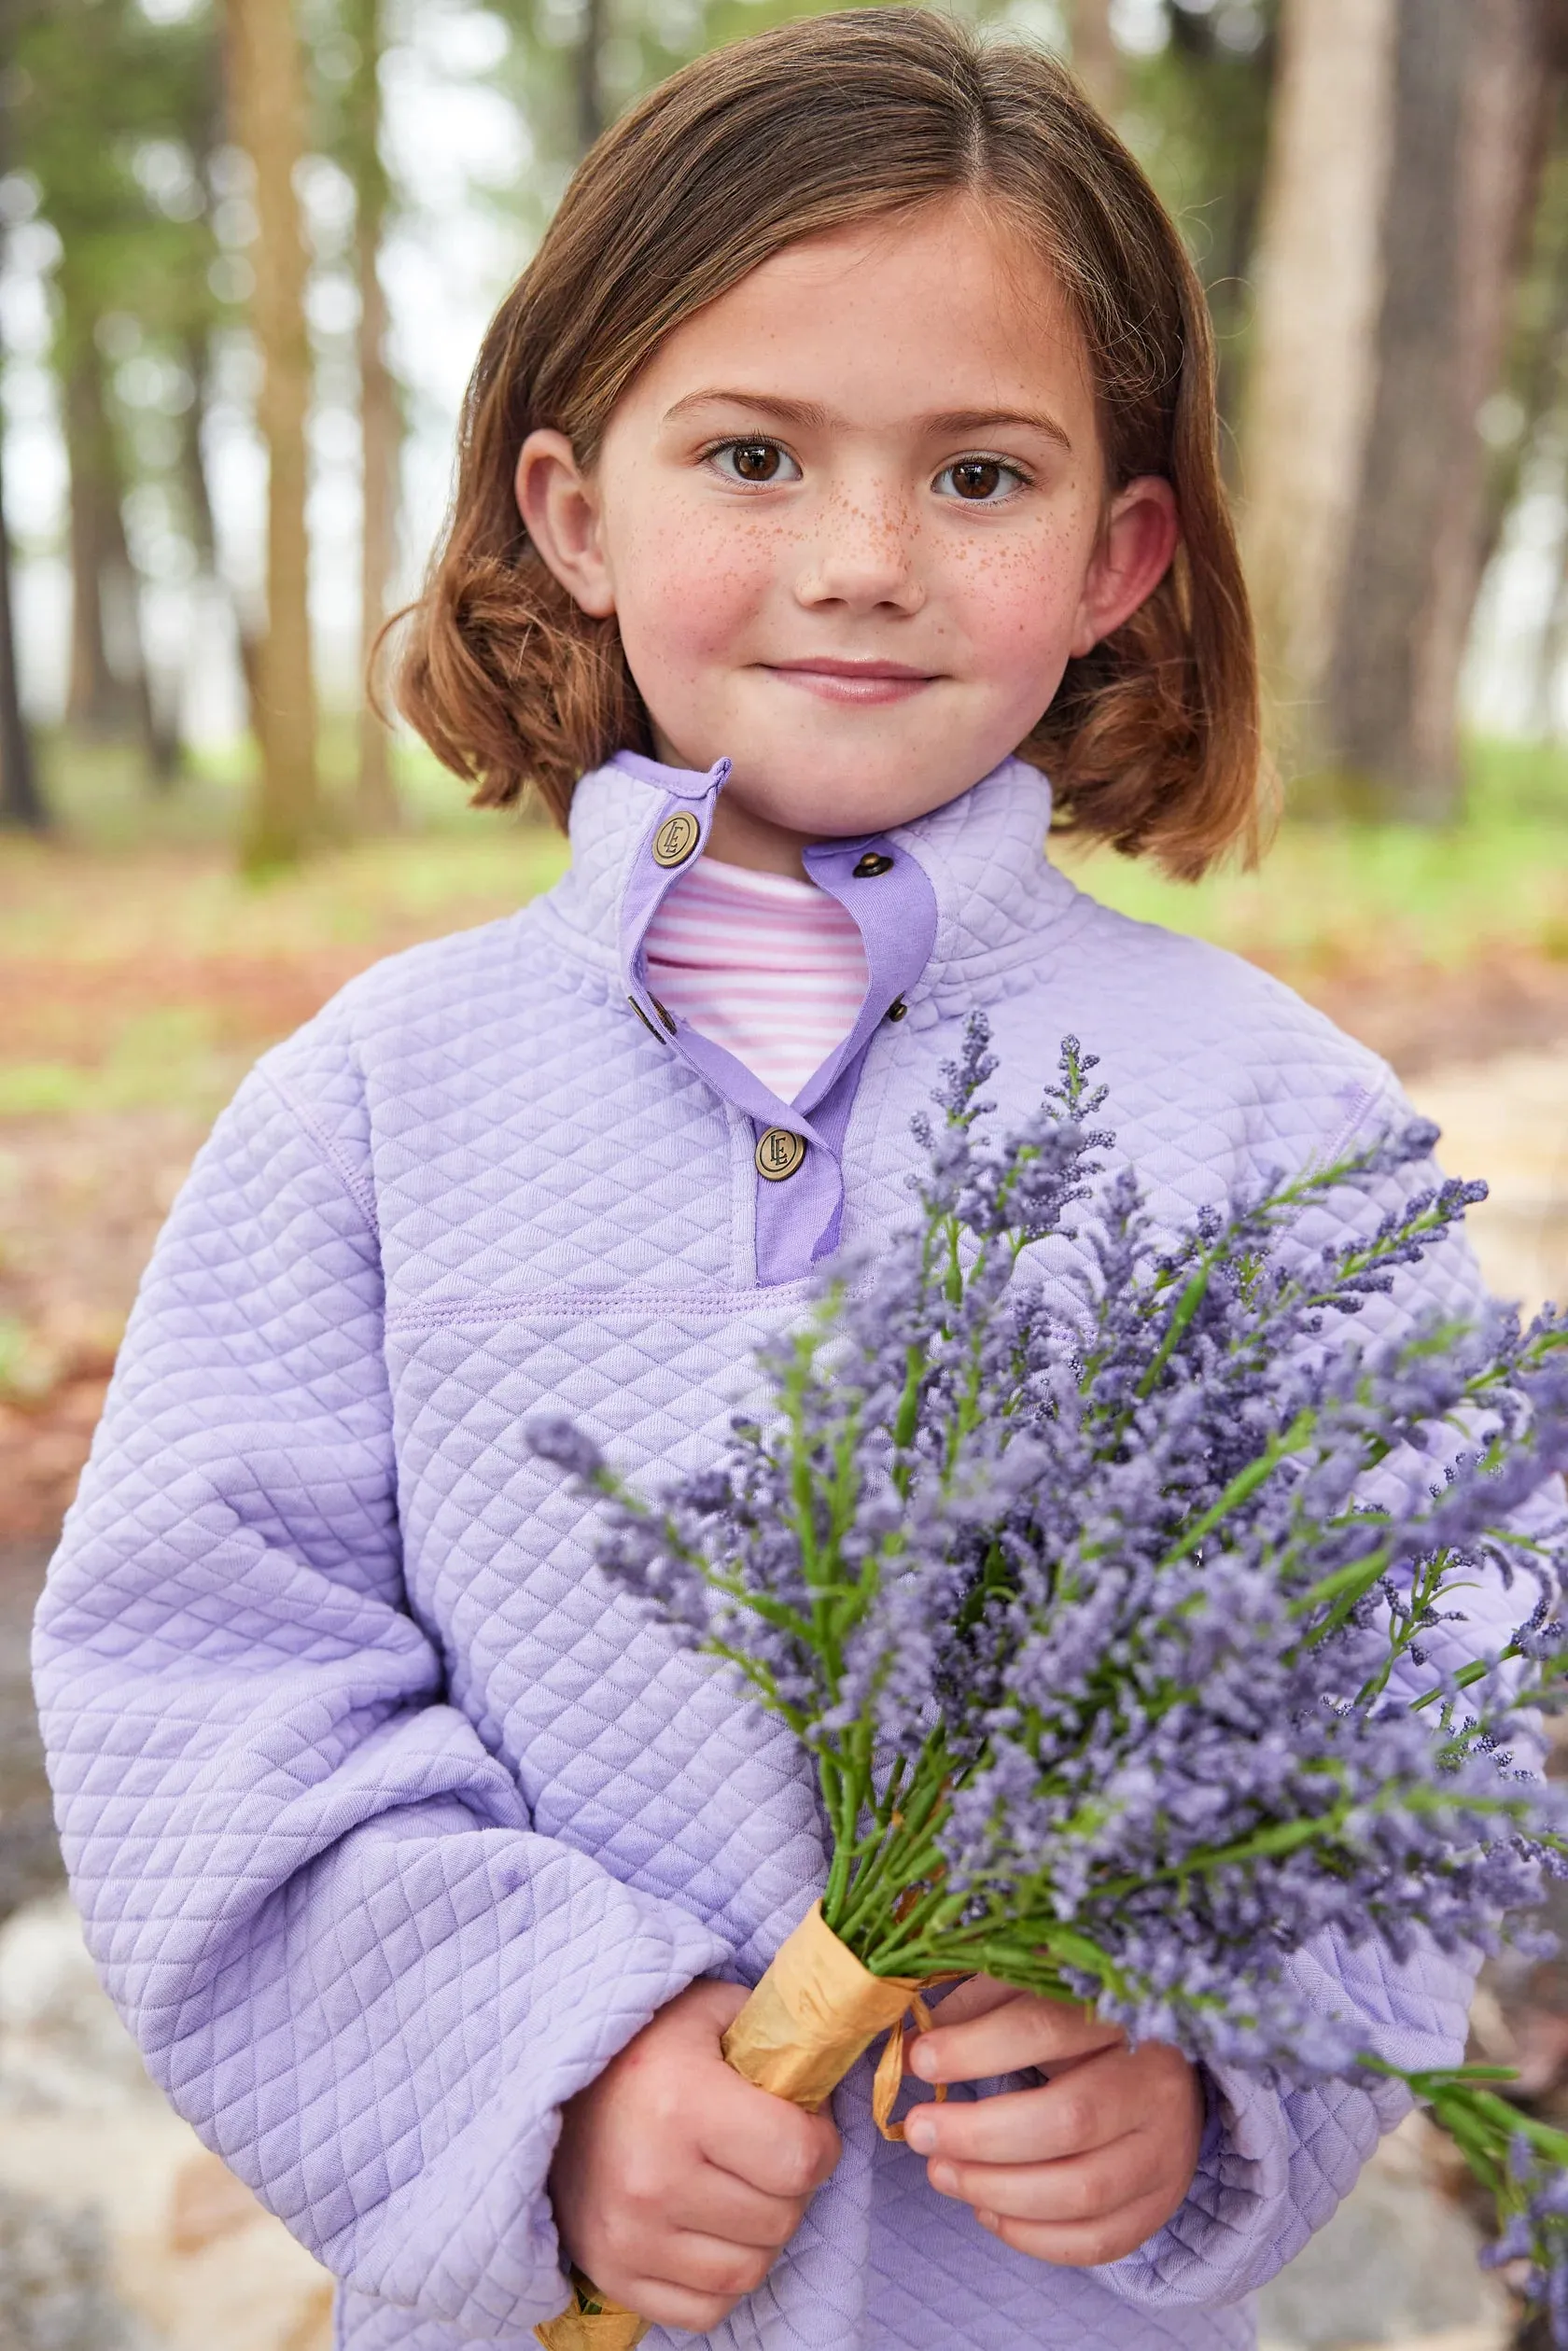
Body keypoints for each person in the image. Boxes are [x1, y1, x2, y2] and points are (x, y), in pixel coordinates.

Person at [35, 14, 1491, 2349]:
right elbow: (207, 1677)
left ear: (1124, 552)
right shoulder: (385, 1105)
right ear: (574, 507)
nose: (863, 559)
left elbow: (1412, 1692)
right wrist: (547, 2067)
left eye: (982, 478)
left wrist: (1199, 2061)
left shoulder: (1271, 1125)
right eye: (752, 452)